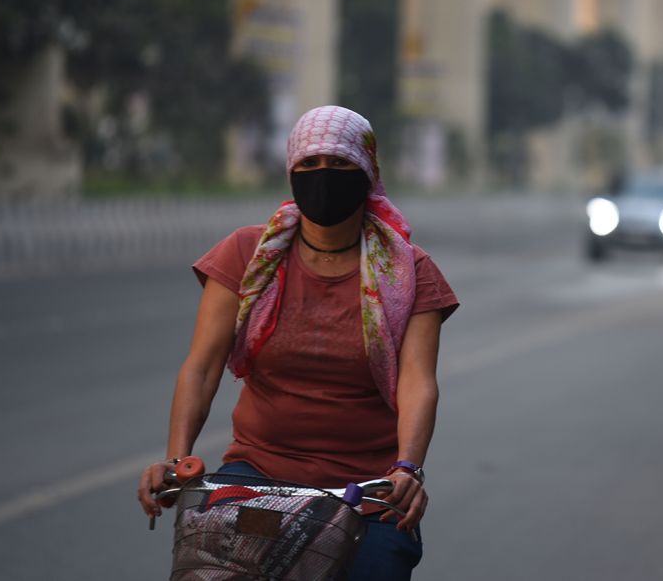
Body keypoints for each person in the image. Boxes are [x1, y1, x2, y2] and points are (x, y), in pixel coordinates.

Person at [137, 106, 459, 580]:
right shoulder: (247, 255)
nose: (323, 177)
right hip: (257, 476)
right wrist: (175, 458)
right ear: (290, 172)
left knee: (379, 564)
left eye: (341, 164)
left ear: (367, 172)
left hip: (366, 492)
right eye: (308, 165)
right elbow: (202, 367)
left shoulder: (411, 272)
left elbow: (417, 380)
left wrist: (408, 468)